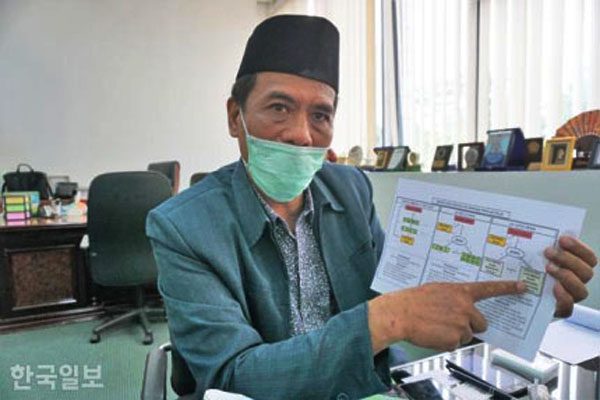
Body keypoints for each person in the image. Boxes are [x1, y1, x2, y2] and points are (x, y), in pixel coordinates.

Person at [146, 15, 597, 400]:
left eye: (320, 115)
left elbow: (411, 293)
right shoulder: (182, 226)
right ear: (235, 117)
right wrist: (387, 319)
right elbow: (231, 378)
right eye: (279, 107)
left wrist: (530, 300)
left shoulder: (351, 189)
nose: (302, 134)